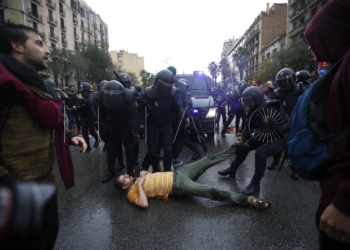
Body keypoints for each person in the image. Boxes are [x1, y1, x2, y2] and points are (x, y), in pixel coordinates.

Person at [0, 23, 86, 249]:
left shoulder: (32, 82)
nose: (47, 50)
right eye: (39, 43)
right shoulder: (4, 83)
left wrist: (68, 134)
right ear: (16, 45)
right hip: (15, 191)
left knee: (46, 237)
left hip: (43, 181)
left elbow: (41, 119)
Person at [304, 0, 350, 248]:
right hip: (333, 190)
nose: (314, 52)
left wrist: (345, 201)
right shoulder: (338, 67)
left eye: (316, 42)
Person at [114, 146, 270, 210]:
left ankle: (237, 148)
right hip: (179, 186)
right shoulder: (131, 193)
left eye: (125, 175)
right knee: (211, 192)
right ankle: (247, 200)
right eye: (125, 179)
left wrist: (144, 174)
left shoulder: (138, 177)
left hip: (181, 173)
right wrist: (140, 184)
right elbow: (144, 204)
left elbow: (152, 175)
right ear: (124, 187)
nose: (127, 176)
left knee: (207, 160)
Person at [217, 86, 289, 196]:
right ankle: (233, 168)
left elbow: (260, 135)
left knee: (261, 153)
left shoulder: (267, 109)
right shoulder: (255, 107)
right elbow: (249, 128)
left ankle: (255, 183)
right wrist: (240, 141)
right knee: (243, 147)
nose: (245, 104)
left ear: (255, 99)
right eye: (244, 101)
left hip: (280, 137)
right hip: (267, 134)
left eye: (247, 101)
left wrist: (246, 144)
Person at [139, 69, 184, 172]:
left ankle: (167, 169)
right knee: (153, 150)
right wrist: (141, 124)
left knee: (168, 150)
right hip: (153, 124)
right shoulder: (149, 92)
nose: (165, 88)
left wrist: (181, 119)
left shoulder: (173, 92)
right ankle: (155, 169)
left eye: (167, 86)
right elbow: (141, 109)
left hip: (167, 124)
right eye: (163, 85)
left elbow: (178, 108)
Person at [267, 68, 303, 180]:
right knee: (277, 144)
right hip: (280, 122)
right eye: (282, 81)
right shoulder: (275, 93)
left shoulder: (300, 90)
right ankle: (276, 160)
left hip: (295, 122)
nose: (284, 84)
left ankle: (295, 168)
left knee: (294, 147)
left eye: (287, 81)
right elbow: (271, 108)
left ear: (293, 80)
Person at [100, 80, 139, 183]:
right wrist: (102, 127)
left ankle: (130, 171)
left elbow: (134, 115)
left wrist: (135, 131)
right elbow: (102, 112)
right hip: (112, 124)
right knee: (111, 148)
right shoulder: (102, 95)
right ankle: (111, 170)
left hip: (125, 124)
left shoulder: (129, 96)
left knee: (129, 148)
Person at [168, 67, 190, 167]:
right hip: (178, 116)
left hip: (166, 116)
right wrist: (187, 117)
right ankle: (172, 158)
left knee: (169, 138)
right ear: (175, 74)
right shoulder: (181, 85)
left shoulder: (160, 84)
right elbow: (185, 103)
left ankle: (168, 159)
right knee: (182, 136)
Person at [117, 73, 140, 166]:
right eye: (123, 82)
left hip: (131, 119)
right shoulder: (115, 90)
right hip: (118, 119)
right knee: (118, 143)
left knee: (133, 142)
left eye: (127, 82)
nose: (125, 84)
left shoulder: (133, 91)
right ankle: (120, 161)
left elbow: (138, 102)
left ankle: (135, 158)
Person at [75, 82, 99, 151]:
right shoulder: (82, 95)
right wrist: (77, 106)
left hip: (90, 116)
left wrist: (82, 99)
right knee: (84, 132)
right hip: (83, 116)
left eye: (82, 87)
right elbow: (78, 104)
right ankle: (88, 146)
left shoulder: (91, 94)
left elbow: (90, 103)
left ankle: (97, 140)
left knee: (92, 131)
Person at [93, 80, 108, 151]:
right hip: (100, 116)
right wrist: (95, 114)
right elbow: (93, 104)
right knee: (102, 133)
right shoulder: (96, 95)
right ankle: (106, 142)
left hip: (109, 116)